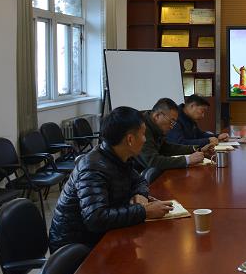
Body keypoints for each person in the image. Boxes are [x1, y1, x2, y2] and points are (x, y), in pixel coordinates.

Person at [49, 106, 174, 252]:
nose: (145, 139)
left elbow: (139, 180)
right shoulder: (92, 168)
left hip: (99, 236)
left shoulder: (117, 156)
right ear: (130, 139)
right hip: (76, 248)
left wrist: (140, 194)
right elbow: (95, 218)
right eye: (143, 134)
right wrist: (144, 211)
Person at [138, 97, 207, 170]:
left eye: (174, 123)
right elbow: (152, 161)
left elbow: (166, 148)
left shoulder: (154, 126)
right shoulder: (141, 127)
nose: (172, 127)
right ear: (157, 116)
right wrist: (187, 160)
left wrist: (195, 148)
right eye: (171, 121)